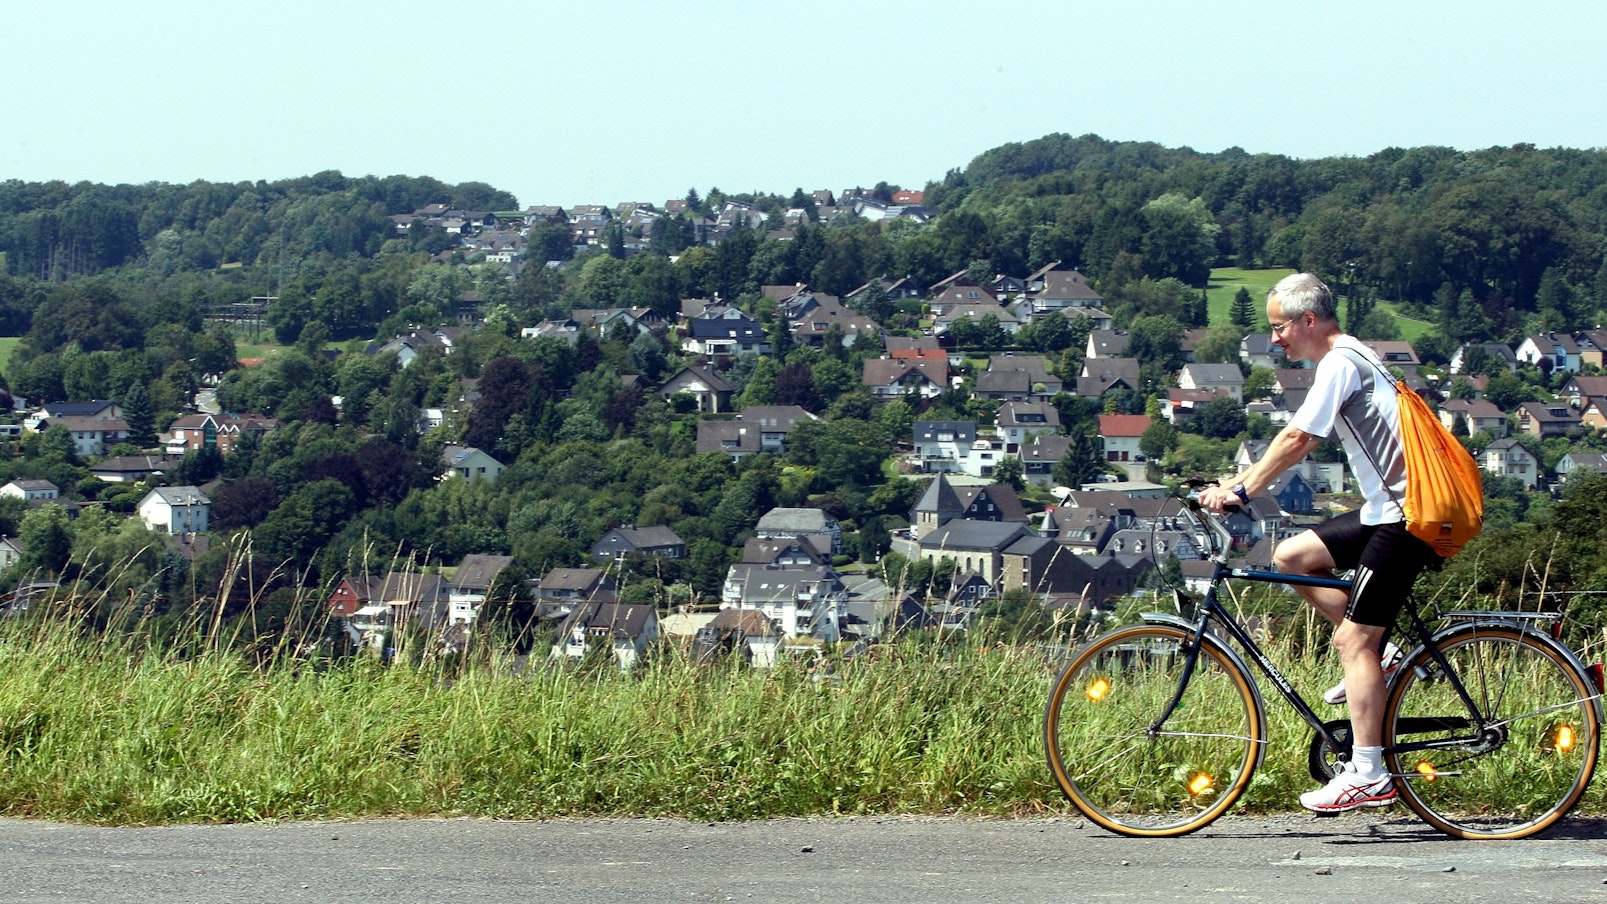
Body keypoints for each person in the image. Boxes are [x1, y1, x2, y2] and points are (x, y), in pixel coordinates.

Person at [1198, 273, 1442, 814]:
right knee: (1293, 556)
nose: (1276, 339)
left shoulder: (1340, 363)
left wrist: (1240, 489)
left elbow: (1299, 438)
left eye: (1279, 327)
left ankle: (1370, 772)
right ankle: (1389, 656)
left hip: (1407, 518)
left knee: (1353, 641)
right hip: (1390, 511)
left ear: (1310, 320)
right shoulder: (1357, 353)